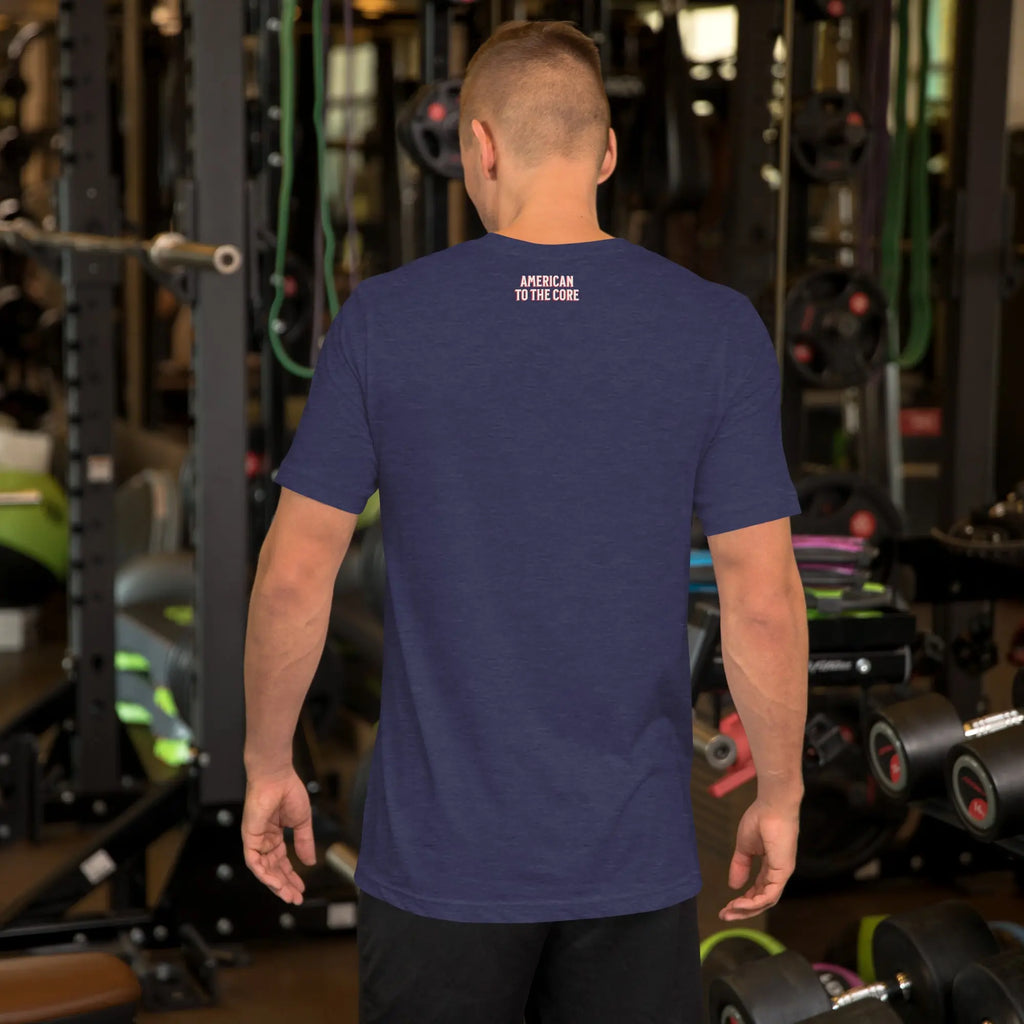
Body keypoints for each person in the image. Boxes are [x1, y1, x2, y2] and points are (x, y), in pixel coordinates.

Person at [242, 20, 808, 1024]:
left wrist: (268, 764)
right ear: (607, 152)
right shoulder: (713, 327)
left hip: (438, 864)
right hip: (631, 861)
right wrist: (782, 790)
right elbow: (759, 595)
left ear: (479, 146)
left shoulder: (383, 319)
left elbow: (293, 577)